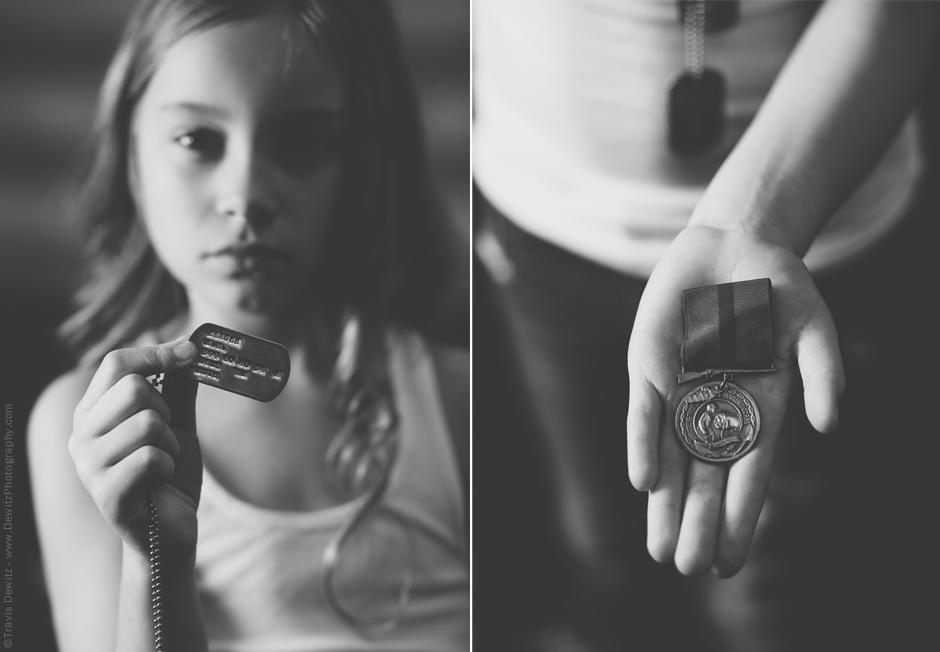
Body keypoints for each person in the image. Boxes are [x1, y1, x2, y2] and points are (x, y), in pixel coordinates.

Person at [473, 1, 940, 650]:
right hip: (546, 214)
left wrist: (757, 220)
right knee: (602, 532)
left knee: (767, 569)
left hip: (814, 233)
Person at [26, 1, 469, 651]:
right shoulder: (88, 427)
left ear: (367, 163)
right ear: (132, 159)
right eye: (198, 141)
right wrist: (153, 561)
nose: (245, 194)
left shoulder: (455, 396)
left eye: (303, 145)